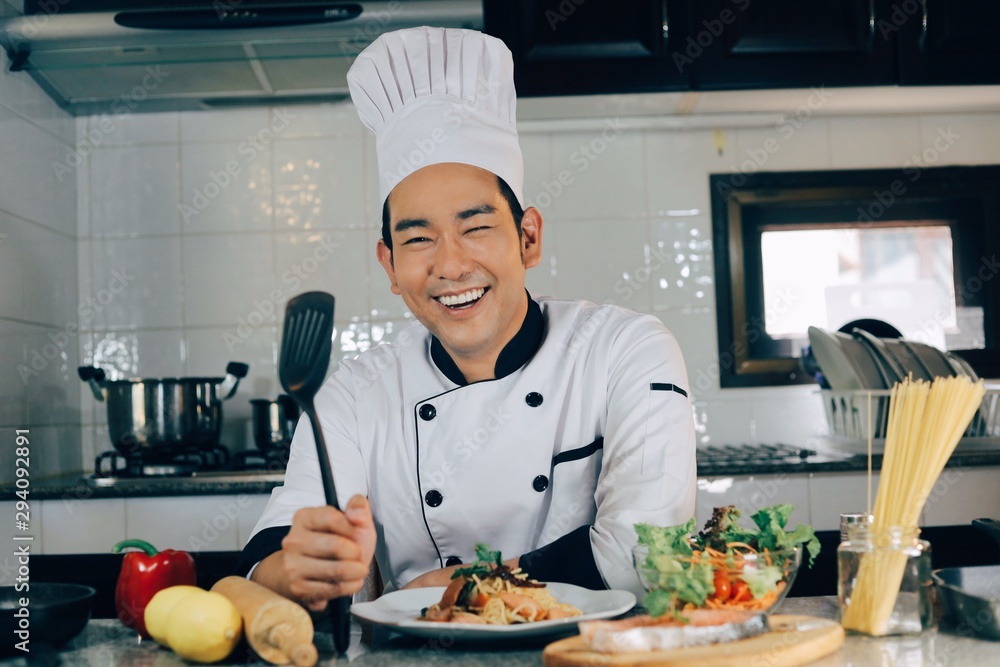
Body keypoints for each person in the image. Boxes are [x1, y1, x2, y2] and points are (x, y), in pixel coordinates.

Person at [238, 26, 696, 611]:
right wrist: (299, 568)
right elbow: (270, 557)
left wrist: (461, 588)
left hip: (588, 649)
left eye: (476, 227)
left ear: (528, 238)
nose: (451, 265)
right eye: (418, 238)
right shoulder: (352, 395)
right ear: (390, 264)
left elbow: (647, 554)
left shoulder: (625, 351)